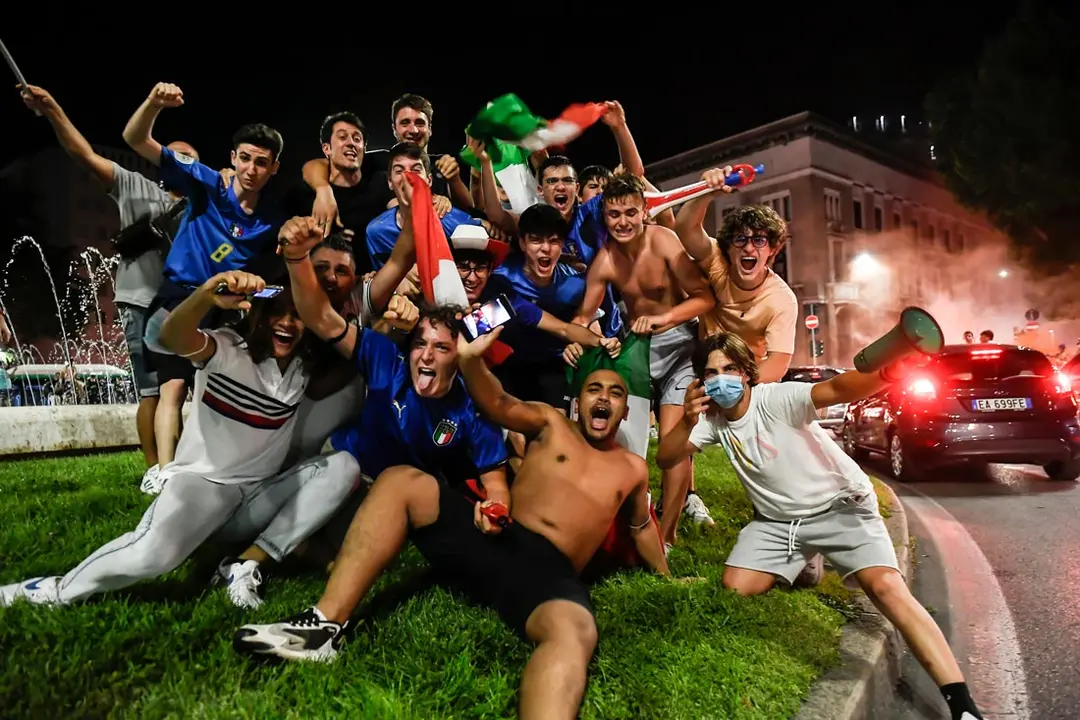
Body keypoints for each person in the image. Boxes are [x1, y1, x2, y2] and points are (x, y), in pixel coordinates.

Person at [234, 324, 669, 719]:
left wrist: (667, 576)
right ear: (577, 402)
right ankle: (323, 626)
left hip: (547, 573)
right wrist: (470, 360)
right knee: (403, 480)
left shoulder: (632, 469)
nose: (604, 399)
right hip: (497, 539)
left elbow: (640, 527)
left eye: (615, 394)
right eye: (594, 389)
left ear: (625, 411)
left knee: (575, 632)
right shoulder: (551, 423)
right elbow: (497, 402)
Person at [655, 331, 984, 720]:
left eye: (729, 369)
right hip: (779, 523)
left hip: (841, 508)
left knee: (885, 588)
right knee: (736, 586)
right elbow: (666, 457)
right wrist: (687, 420)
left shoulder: (776, 399)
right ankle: (806, 561)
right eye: (711, 373)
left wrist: (890, 373)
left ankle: (962, 706)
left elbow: (839, 388)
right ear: (701, 381)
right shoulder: (711, 421)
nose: (721, 379)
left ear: (745, 372)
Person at [0, 271, 359, 610]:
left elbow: (354, 356)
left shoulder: (300, 369)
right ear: (258, 314)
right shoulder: (228, 349)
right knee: (150, 556)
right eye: (277, 312)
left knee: (343, 466)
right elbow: (171, 337)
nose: (287, 323)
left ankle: (244, 564)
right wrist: (205, 295)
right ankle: (57, 589)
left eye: (297, 315)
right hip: (204, 488)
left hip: (255, 500)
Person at [274, 210, 509, 557]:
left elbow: (496, 482)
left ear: (458, 357)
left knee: (353, 543)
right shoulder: (385, 359)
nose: (425, 356)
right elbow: (320, 317)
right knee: (318, 538)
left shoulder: (469, 409)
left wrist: (495, 509)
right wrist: (296, 258)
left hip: (389, 490)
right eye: (420, 344)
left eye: (441, 348)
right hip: (341, 461)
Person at [17, 82, 197, 485]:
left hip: (187, 308)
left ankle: (179, 464)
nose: (184, 164)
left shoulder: (204, 208)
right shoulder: (135, 186)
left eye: (191, 160)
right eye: (176, 156)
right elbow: (82, 153)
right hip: (141, 301)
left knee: (181, 390)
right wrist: (53, 110)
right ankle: (153, 470)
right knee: (151, 391)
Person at [123, 82, 287, 491]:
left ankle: (210, 466)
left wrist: (256, 296)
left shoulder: (271, 219)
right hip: (179, 296)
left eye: (262, 162)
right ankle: (163, 473)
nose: (251, 169)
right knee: (173, 387)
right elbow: (135, 140)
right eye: (245, 158)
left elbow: (274, 278)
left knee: (213, 388)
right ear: (233, 158)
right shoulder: (208, 184)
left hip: (226, 310)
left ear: (273, 168)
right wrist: (153, 104)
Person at [574, 174, 717, 546]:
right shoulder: (605, 260)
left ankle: (666, 536)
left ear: (644, 212)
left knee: (673, 442)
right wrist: (578, 339)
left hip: (680, 345)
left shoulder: (663, 240)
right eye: (614, 214)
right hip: (637, 349)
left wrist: (663, 318)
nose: (622, 222)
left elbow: (704, 297)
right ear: (604, 217)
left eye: (630, 213)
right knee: (624, 439)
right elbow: (582, 317)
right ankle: (623, 521)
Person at [673, 170, 798, 383]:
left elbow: (778, 363)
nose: (748, 248)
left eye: (759, 240)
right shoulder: (716, 262)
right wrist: (706, 191)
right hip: (704, 369)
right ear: (728, 248)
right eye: (740, 239)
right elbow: (685, 229)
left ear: (773, 250)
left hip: (750, 380)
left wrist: (737, 387)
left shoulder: (781, 299)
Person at [365, 143, 484, 272]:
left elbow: (486, 269)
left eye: (416, 170)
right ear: (390, 182)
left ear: (429, 180)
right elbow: (380, 276)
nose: (408, 177)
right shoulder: (377, 232)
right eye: (399, 171)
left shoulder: (458, 225)